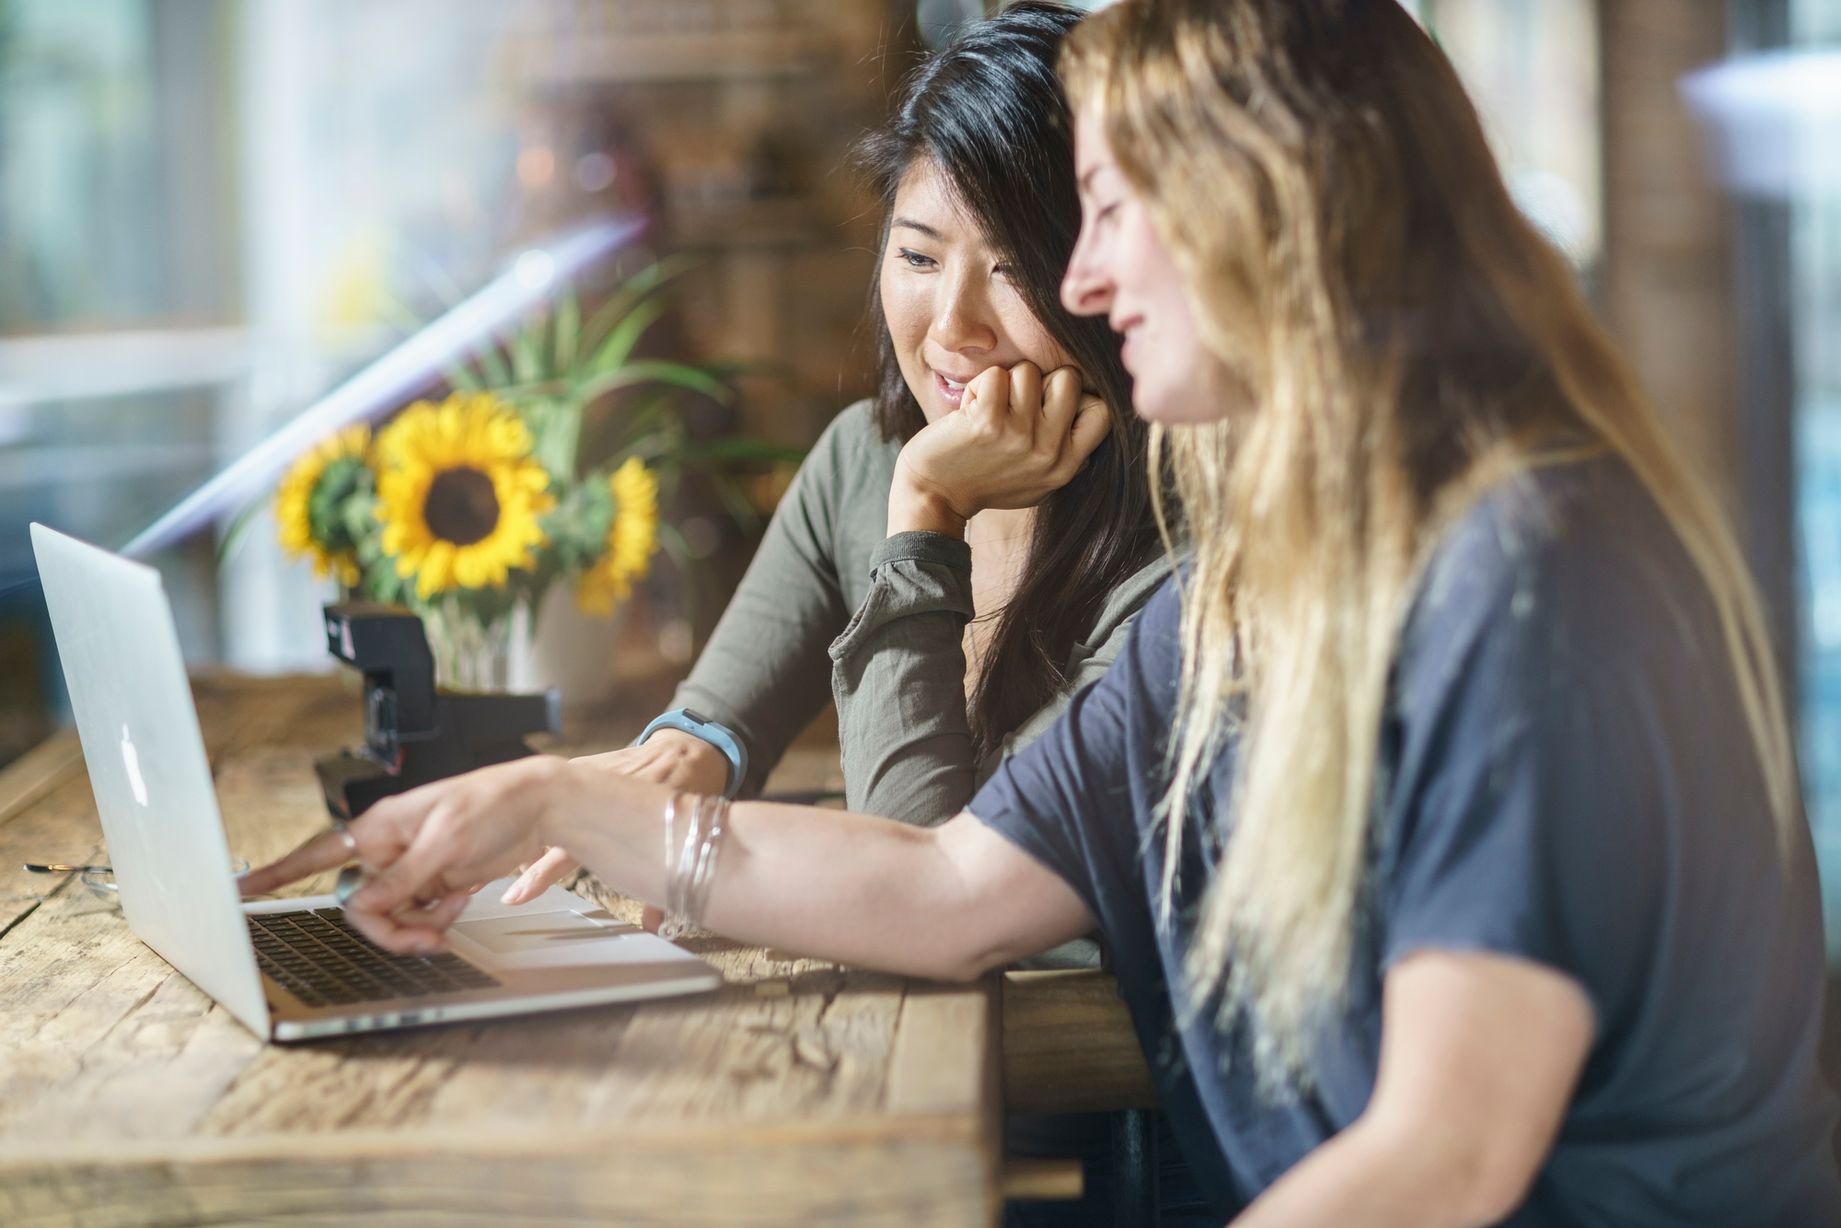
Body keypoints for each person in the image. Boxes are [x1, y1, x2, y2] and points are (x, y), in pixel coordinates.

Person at [243, 1, 1841, 1224]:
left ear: (1271, 207)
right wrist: (553, 801)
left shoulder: (1518, 579)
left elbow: (1444, 1157)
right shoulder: (1253, 592)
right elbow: (947, 887)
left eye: (1111, 216)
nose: (1087, 285)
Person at [501, 1, 1167, 931]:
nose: (949, 328)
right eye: (918, 256)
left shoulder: (1170, 572)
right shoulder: (863, 459)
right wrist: (688, 754)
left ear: (1103, 275)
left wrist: (927, 516)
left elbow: (924, 891)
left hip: (1063, 1056)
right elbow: (715, 717)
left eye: (1014, 271)